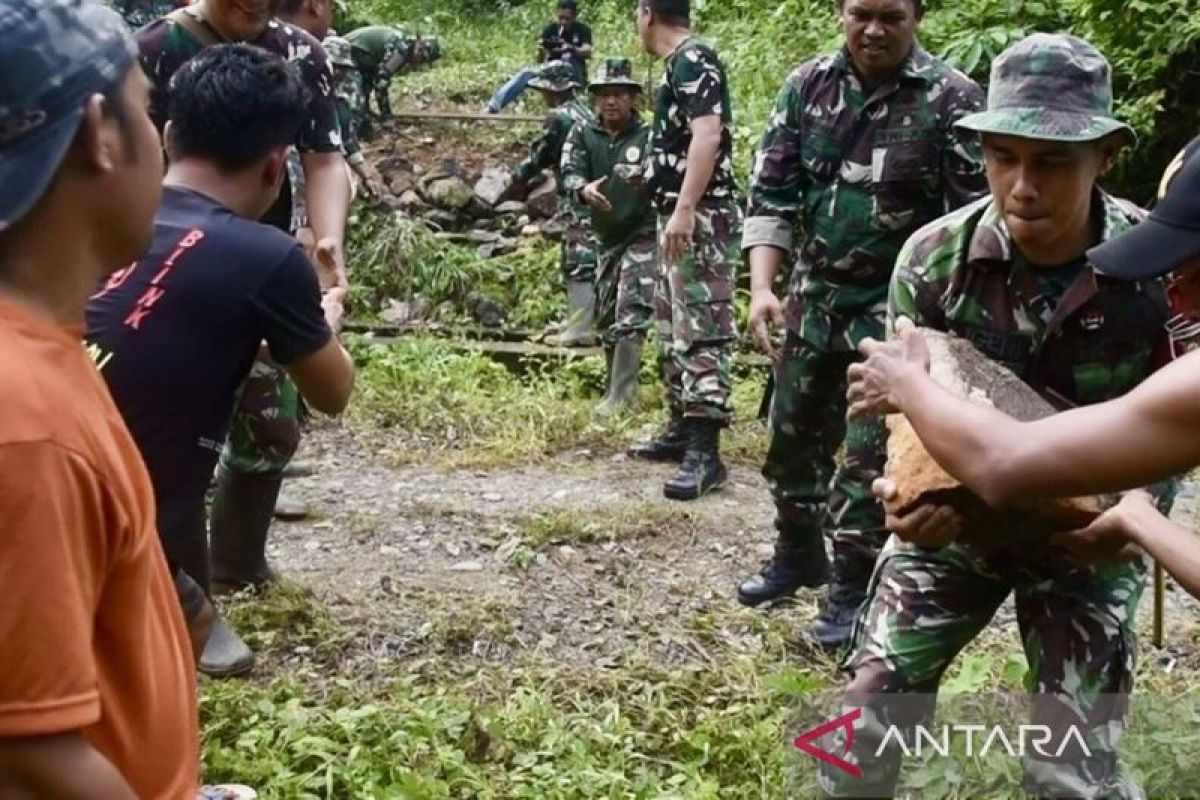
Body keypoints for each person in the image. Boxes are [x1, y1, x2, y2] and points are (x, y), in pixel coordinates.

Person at [819, 34, 1172, 799]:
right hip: (957, 528)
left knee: (1070, 770)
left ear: (1105, 156)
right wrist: (897, 510)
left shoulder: (1155, 267)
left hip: (1092, 535)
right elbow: (889, 419)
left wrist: (1130, 519)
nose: (1021, 185)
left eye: (1052, 162)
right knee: (854, 730)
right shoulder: (932, 260)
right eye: (1003, 156)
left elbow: (1171, 433)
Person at [89, 44, 353, 687]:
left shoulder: (94, 208)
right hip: (117, 516)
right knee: (158, 657)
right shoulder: (266, 256)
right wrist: (324, 321)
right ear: (274, 168)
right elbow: (332, 391)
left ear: (169, 134)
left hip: (44, 453)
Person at [847, 135, 1200, 601]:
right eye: (1004, 157)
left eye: (1195, 277)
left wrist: (908, 383)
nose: (1178, 299)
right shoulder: (937, 255)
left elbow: (1004, 462)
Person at [735, 0, 988, 651]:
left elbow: (969, 226)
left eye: (891, 17)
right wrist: (765, 287)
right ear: (841, 13)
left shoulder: (952, 100)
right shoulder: (807, 87)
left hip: (895, 315)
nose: (873, 30)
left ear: (918, 16)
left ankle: (850, 590)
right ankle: (797, 553)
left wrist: (945, 338)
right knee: (789, 438)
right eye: (860, 13)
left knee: (865, 457)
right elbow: (773, 194)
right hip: (813, 302)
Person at [0, 1, 198, 796]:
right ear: (100, 133)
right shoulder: (25, 425)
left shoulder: (43, 351)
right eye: (150, 110)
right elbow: (29, 764)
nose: (163, 141)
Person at [628, 0, 739, 501]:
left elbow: (708, 133)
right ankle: (681, 427)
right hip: (677, 212)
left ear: (646, 12)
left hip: (701, 217)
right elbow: (683, 139)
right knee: (672, 326)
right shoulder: (681, 65)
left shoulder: (694, 59)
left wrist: (687, 206)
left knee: (702, 325)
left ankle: (705, 451)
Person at [560, 57, 655, 415]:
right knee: (606, 314)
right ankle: (612, 388)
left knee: (632, 306)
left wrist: (645, 179)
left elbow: (665, 175)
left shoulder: (649, 137)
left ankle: (623, 395)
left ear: (633, 99)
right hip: (606, 236)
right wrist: (582, 189)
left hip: (643, 232)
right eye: (603, 95)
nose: (610, 102)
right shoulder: (582, 133)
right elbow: (569, 171)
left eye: (618, 94)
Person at [512, 61, 600, 347]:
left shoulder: (559, 117)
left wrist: (518, 177)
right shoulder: (585, 110)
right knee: (581, 254)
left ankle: (580, 329)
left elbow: (542, 153)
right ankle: (579, 320)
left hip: (577, 194)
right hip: (591, 190)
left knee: (578, 258)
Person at [485, 0, 593, 114]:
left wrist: (570, 48)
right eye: (560, 18)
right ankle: (493, 106)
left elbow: (588, 51)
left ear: (574, 17)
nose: (563, 22)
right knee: (526, 73)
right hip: (551, 71)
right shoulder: (551, 29)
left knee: (568, 60)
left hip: (572, 73)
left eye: (567, 18)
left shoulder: (582, 30)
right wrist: (541, 50)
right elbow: (539, 62)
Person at [323, 35, 382, 198]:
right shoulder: (297, 96)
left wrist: (367, 176)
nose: (337, 73)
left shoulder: (340, 104)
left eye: (342, 69)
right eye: (333, 66)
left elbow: (348, 142)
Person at [345, 24, 414, 129]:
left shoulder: (401, 41)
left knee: (366, 84)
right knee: (355, 93)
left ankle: (364, 114)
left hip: (362, 52)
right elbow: (381, 81)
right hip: (352, 48)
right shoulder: (401, 50)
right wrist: (386, 116)